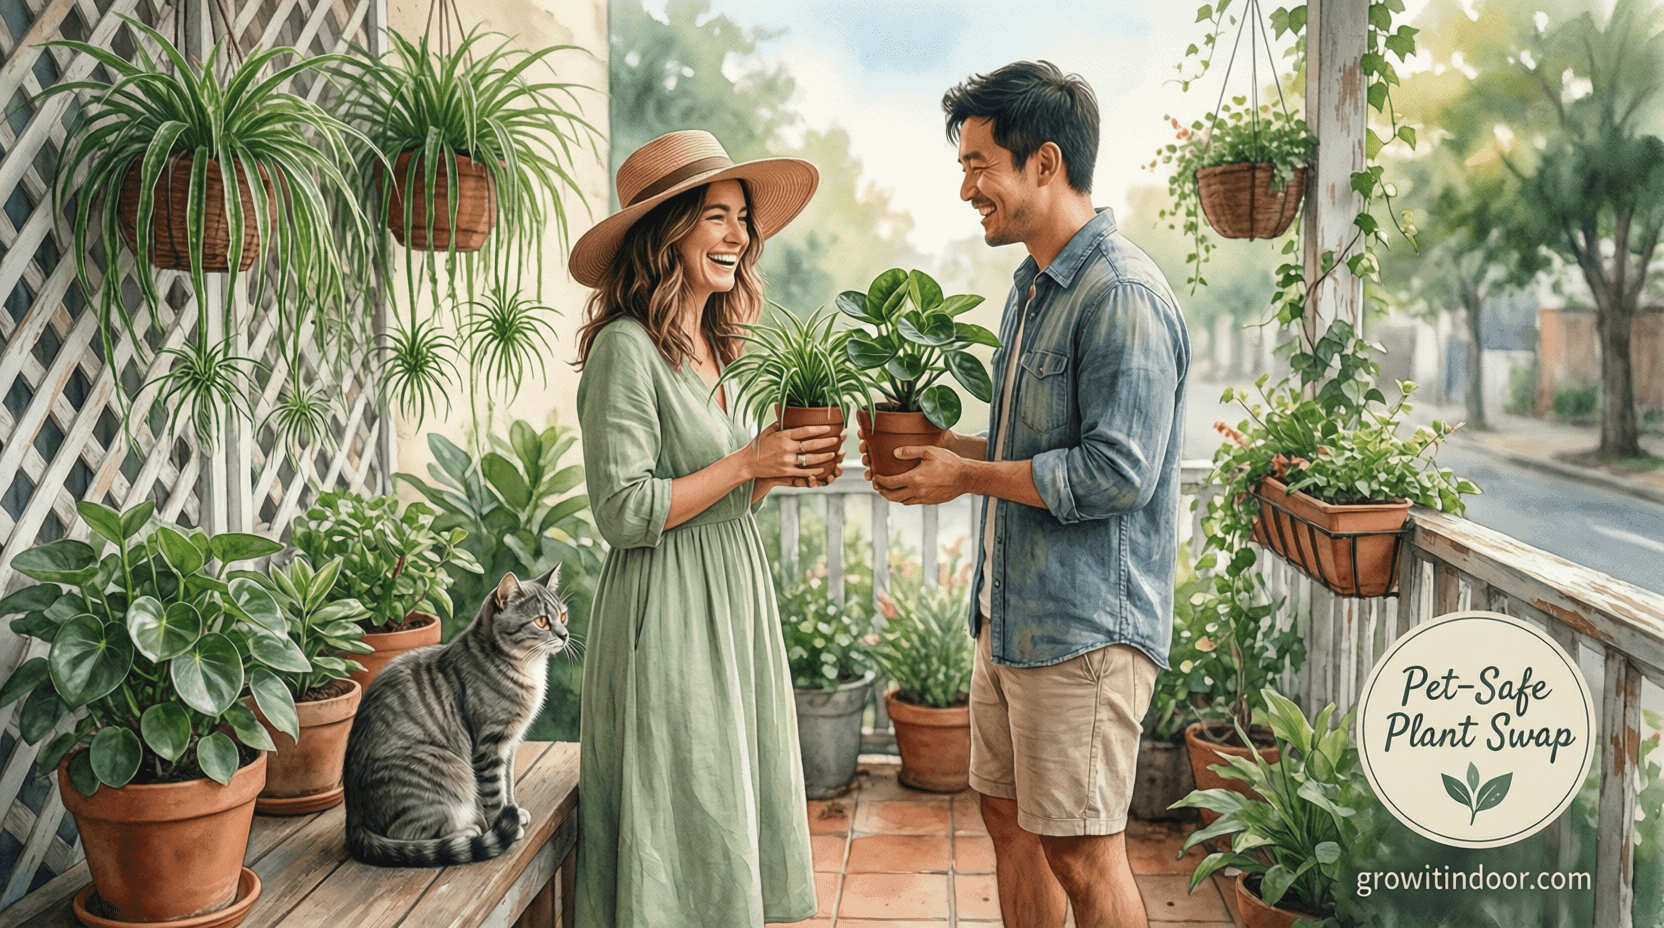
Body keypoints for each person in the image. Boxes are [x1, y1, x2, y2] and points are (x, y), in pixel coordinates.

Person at [865, 62, 1190, 928]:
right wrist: (943, 453)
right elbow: (1028, 454)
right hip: (1012, 619)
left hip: (1084, 632)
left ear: (1044, 164)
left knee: (1083, 853)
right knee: (1010, 825)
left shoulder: (1118, 295)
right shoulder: (1033, 290)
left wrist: (967, 475)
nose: (966, 185)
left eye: (980, 163)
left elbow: (1117, 473)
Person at [569, 129, 840, 927]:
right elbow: (622, 510)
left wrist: (779, 467)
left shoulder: (723, 347)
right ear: (669, 232)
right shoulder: (627, 350)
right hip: (665, 608)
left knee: (728, 797)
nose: (738, 236)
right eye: (717, 216)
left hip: (733, 594)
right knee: (681, 802)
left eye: (743, 220)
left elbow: (728, 492)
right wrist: (747, 464)